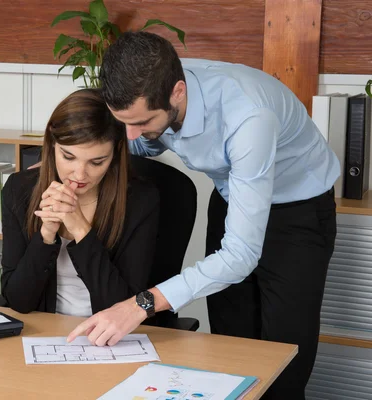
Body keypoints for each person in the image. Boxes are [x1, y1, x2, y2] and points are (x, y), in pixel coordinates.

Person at [67, 31, 339, 399]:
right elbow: (132, 142)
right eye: (123, 122)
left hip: (297, 212)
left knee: (283, 361)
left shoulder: (247, 116)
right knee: (231, 348)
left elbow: (240, 256)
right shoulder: (151, 86)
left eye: (142, 122)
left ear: (177, 93)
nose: (129, 135)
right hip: (231, 195)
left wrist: (139, 305)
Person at [0, 88, 160, 318]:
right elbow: (17, 301)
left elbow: (125, 307)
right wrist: (45, 236)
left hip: (113, 335)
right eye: (68, 157)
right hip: (45, 331)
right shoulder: (19, 190)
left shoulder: (141, 202)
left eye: (97, 162)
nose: (80, 174)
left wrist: (81, 230)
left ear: (114, 155)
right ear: (52, 144)